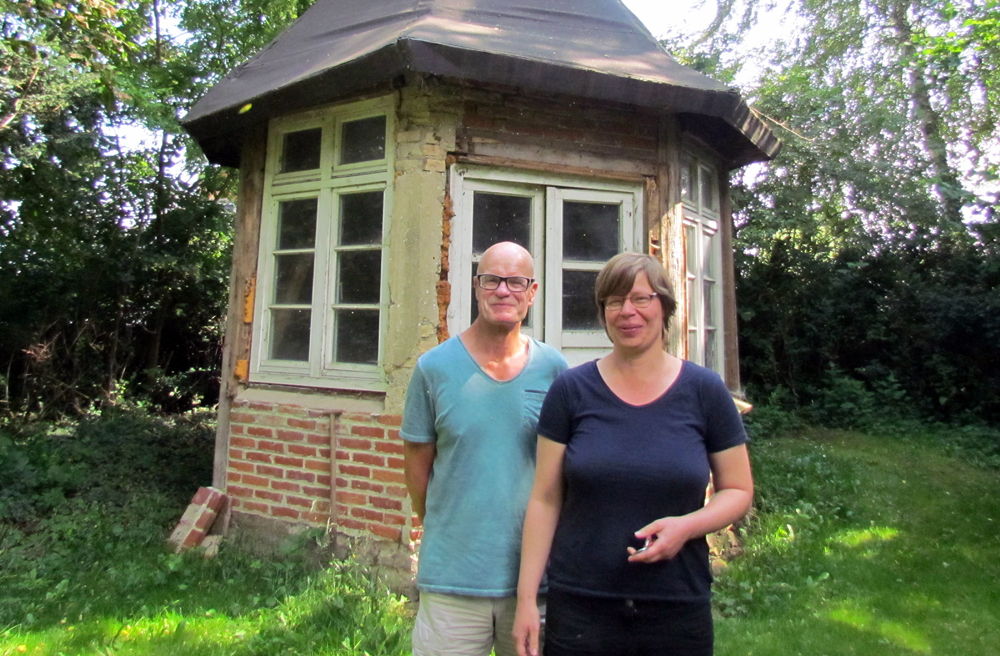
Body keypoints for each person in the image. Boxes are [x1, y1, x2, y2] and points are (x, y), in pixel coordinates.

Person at [513, 252, 754, 656]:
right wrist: (525, 601)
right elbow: (545, 498)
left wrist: (687, 527)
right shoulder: (571, 391)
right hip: (581, 607)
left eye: (641, 298)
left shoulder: (705, 391)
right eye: (614, 301)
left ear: (665, 307)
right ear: (603, 312)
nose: (627, 311)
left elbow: (738, 490)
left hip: (676, 606)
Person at [402, 241, 568, 656]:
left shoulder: (555, 371)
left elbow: (563, 472)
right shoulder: (434, 369)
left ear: (532, 293)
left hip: (535, 582)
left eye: (516, 282)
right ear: (476, 287)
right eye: (492, 279)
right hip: (453, 581)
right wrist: (450, 526)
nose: (503, 291)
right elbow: (417, 469)